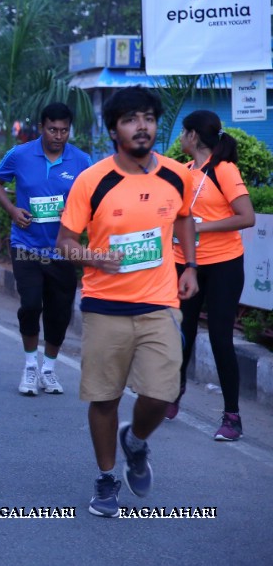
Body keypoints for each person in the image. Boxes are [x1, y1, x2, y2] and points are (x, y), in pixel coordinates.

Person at [56, 87, 198, 518]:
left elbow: (184, 218)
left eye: (149, 118)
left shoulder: (177, 175)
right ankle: (105, 476)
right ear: (115, 129)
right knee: (105, 397)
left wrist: (189, 265)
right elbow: (65, 244)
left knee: (162, 392)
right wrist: (95, 257)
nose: (142, 126)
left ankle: (135, 440)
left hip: (159, 303)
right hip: (105, 305)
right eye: (131, 119)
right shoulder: (92, 180)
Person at [0, 102, 92, 396]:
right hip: (26, 246)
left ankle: (49, 369)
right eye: (52, 129)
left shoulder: (82, 161)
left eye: (64, 130)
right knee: (31, 304)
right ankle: (30, 366)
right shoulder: (20, 154)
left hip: (63, 250)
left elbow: (94, 198)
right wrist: (11, 209)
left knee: (59, 313)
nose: (58, 136)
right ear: (41, 127)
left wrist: (75, 217)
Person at [170, 110, 255, 438]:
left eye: (183, 132)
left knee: (220, 337)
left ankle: (231, 416)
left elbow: (246, 217)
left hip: (223, 264)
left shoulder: (225, 170)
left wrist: (205, 226)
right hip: (184, 261)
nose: (180, 138)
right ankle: (173, 393)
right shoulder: (183, 170)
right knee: (182, 332)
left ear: (193, 136)